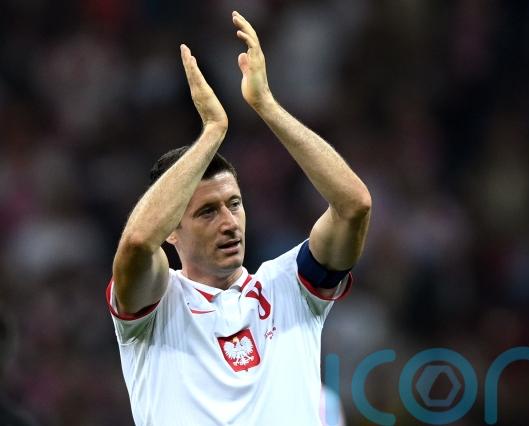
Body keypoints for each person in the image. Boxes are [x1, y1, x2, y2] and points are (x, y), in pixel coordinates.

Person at [105, 10, 371, 426]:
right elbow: (138, 244)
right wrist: (212, 132)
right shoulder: (156, 308)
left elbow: (354, 206)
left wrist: (267, 107)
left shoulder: (290, 288)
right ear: (172, 230)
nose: (229, 222)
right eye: (207, 212)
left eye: (234, 204)